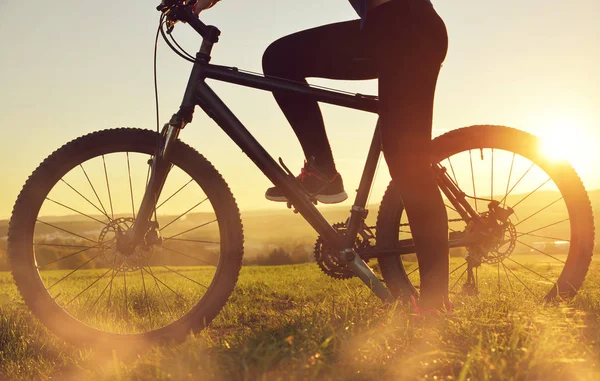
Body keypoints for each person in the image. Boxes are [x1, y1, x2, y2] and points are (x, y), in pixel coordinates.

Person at [193, 0, 451, 311]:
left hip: (405, 30)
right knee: (281, 59)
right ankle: (323, 172)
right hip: (395, 29)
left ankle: (436, 307)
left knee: (409, 166)